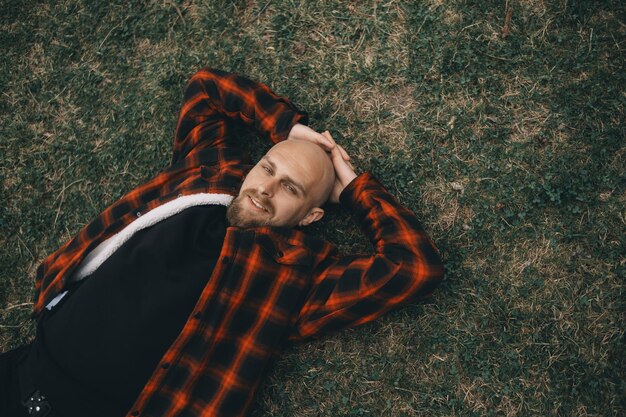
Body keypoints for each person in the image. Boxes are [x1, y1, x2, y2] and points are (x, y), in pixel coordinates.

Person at [0, 68, 444, 417]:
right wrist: (288, 127)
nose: (265, 190)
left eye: (291, 189)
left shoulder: (298, 276)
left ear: (311, 216)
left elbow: (413, 267)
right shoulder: (208, 170)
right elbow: (207, 88)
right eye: (268, 168)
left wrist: (354, 190)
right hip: (22, 367)